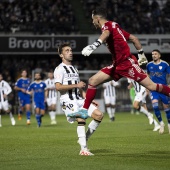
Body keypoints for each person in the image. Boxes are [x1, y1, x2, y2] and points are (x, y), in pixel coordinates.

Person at [68, 7, 170, 120]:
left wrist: (94, 45)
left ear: (97, 19)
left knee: (152, 86)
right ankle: (84, 111)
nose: (92, 23)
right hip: (117, 65)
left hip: (127, 64)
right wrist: (141, 54)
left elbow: (106, 33)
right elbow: (134, 39)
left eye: (92, 20)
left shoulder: (107, 26)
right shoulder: (116, 27)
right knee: (92, 81)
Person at [54, 43, 103, 156]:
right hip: (68, 100)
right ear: (61, 55)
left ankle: (83, 138)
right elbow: (58, 87)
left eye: (71, 50)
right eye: (67, 51)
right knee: (81, 117)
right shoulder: (59, 69)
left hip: (79, 99)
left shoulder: (74, 69)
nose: (70, 52)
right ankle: (83, 149)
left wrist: (88, 99)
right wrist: (76, 86)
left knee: (99, 115)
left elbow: (80, 88)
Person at [146, 49, 170, 134]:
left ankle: (169, 125)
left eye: (155, 54)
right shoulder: (149, 65)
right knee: (155, 106)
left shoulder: (165, 64)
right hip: (154, 89)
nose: (153, 56)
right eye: (152, 54)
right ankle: (161, 123)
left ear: (159, 55)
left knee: (166, 107)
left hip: (164, 89)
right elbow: (147, 75)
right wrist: (147, 86)